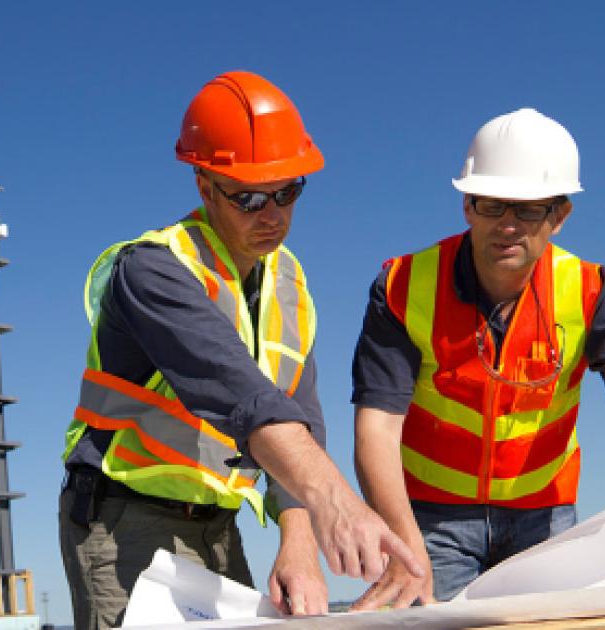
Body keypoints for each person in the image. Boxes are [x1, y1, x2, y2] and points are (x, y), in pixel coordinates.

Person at [58, 70, 421, 630]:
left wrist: (298, 539)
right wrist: (336, 502)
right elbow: (245, 396)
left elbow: (300, 413)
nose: (271, 214)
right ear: (205, 186)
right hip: (123, 518)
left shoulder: (289, 282)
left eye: (287, 192)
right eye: (249, 197)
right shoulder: (154, 270)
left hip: (218, 523)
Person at [350, 108, 605, 609]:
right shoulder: (402, 285)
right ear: (467, 205)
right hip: (429, 520)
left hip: (543, 518)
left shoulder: (593, 292)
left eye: (527, 209)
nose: (507, 225)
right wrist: (402, 543)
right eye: (492, 205)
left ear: (559, 216)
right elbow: (376, 429)